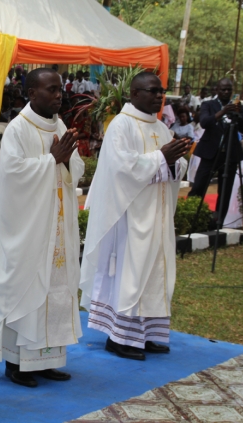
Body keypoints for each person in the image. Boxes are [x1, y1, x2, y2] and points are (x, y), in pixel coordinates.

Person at [0, 68, 83, 387]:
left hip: (56, 226)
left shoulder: (59, 124)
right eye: (51, 90)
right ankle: (16, 363)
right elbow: (11, 177)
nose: (58, 94)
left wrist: (63, 161)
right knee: (24, 288)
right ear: (32, 94)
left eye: (59, 89)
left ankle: (45, 359)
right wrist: (51, 160)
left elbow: (75, 168)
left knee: (54, 289)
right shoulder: (18, 130)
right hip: (26, 230)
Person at [80, 72, 190, 361]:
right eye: (152, 90)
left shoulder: (162, 128)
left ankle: (149, 333)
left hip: (158, 215)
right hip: (130, 217)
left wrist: (177, 161)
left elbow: (174, 164)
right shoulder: (121, 125)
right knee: (131, 274)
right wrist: (161, 158)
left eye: (161, 91)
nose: (158, 95)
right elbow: (121, 168)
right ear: (134, 93)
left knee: (156, 272)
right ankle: (121, 337)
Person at [187, 78, 243, 225]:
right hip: (210, 152)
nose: (226, 92)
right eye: (223, 89)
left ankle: (218, 221)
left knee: (225, 190)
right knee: (199, 186)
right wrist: (223, 112)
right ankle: (191, 218)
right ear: (217, 90)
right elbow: (204, 122)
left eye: (229, 90)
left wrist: (237, 114)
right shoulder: (209, 104)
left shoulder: (237, 105)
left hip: (230, 154)